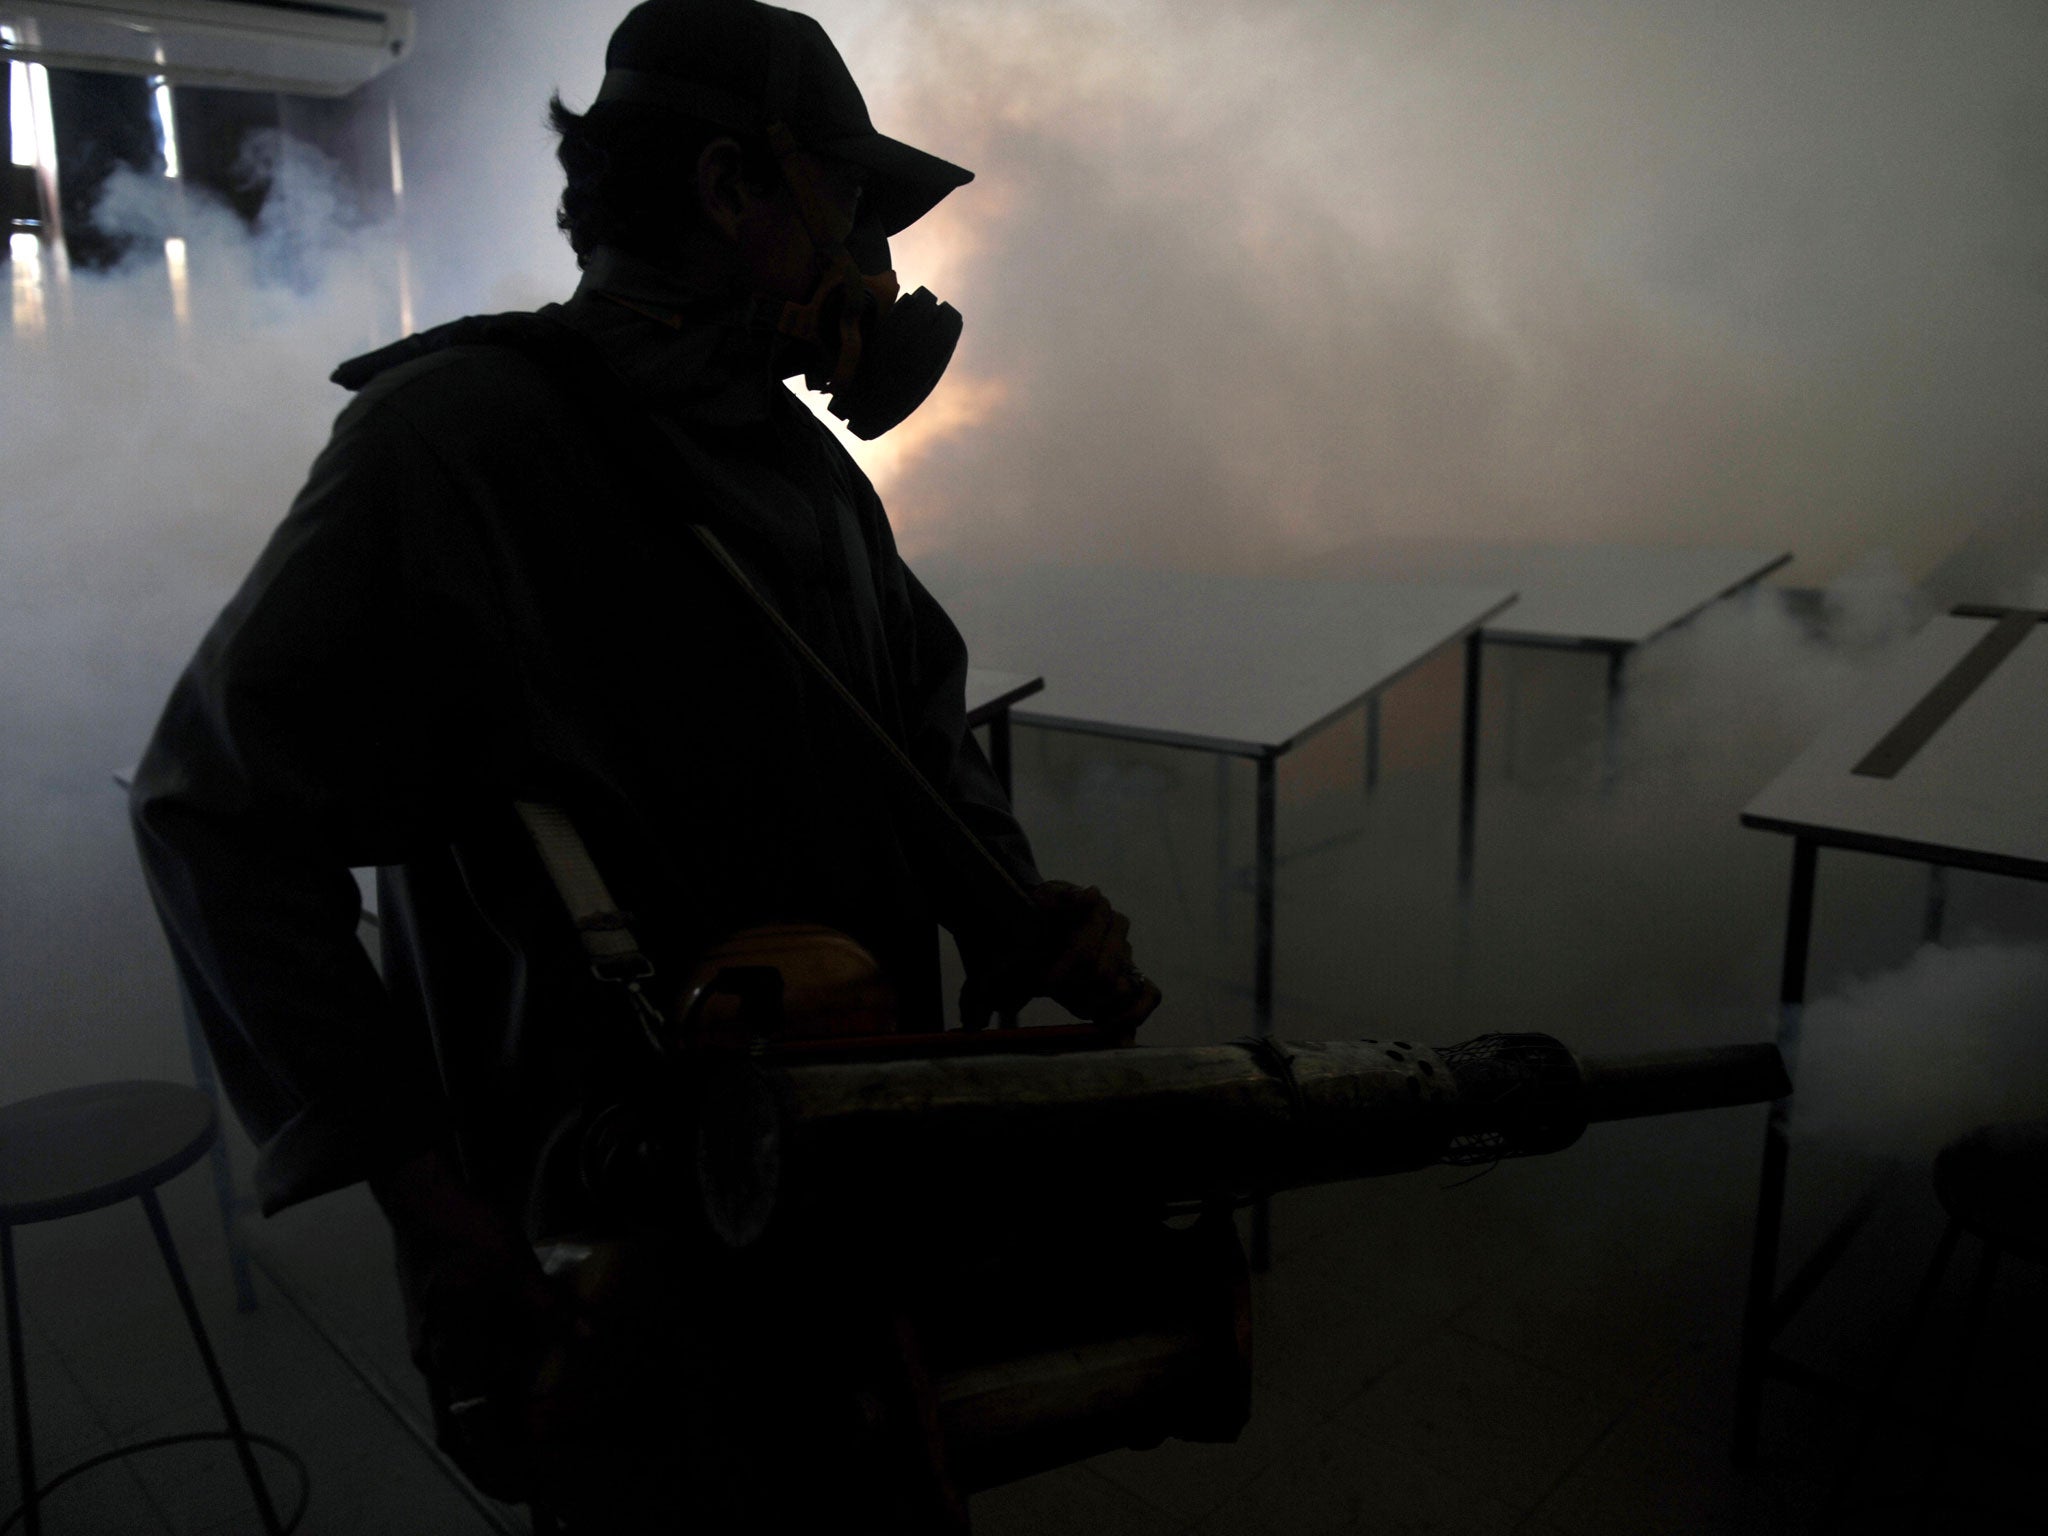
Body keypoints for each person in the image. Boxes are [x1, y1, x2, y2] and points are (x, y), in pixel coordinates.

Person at [129, 0, 1160, 1526]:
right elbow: (211, 811)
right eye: (849, 207)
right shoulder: (453, 443)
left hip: (847, 1200)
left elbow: (914, 730)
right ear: (736, 189)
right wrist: (433, 1209)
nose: (871, 264)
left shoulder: (808, 473)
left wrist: (1014, 909)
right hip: (626, 1253)